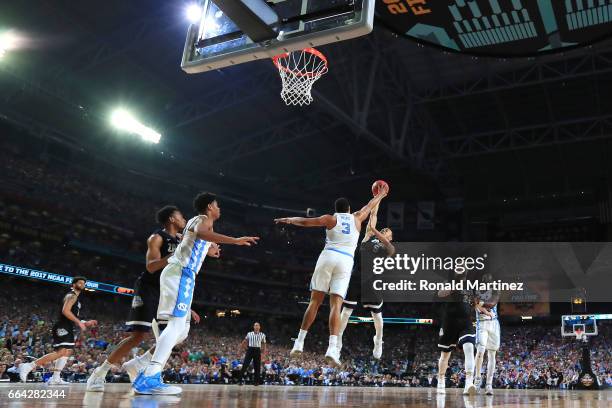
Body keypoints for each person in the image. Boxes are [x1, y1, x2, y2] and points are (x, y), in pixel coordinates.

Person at [132, 192, 259, 395]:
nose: (219, 209)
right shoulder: (201, 220)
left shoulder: (199, 223)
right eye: (217, 205)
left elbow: (194, 239)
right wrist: (234, 240)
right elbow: (200, 233)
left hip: (183, 275)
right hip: (181, 273)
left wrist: (210, 248)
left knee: (181, 330)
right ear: (209, 206)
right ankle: (150, 376)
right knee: (175, 325)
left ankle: (142, 366)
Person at [87, 206, 219, 391]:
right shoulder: (157, 237)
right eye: (181, 217)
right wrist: (176, 256)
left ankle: (138, 364)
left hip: (168, 290)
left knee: (178, 334)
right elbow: (151, 267)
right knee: (139, 336)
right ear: (172, 219)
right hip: (149, 289)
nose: (184, 219)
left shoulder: (182, 239)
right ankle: (99, 374)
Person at [275, 186, 388, 366]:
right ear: (349, 210)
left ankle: (299, 342)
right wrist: (381, 195)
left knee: (315, 302)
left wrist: (289, 219)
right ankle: (332, 348)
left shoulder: (330, 218)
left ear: (337, 209)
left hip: (328, 256)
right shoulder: (357, 217)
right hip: (345, 261)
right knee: (336, 305)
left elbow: (305, 222)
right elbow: (370, 205)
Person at [338, 201, 394, 359]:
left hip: (372, 280)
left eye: (387, 231)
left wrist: (379, 233)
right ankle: (338, 341)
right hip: (357, 276)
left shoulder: (388, 246)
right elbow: (373, 214)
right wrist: (378, 197)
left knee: (377, 315)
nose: (384, 231)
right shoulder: (369, 235)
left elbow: (389, 247)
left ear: (390, 237)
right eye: (383, 229)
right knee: (346, 312)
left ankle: (378, 340)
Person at [19, 276, 97, 384]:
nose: (82, 285)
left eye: (83, 283)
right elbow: (65, 311)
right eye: (79, 283)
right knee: (60, 352)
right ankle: (28, 366)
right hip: (62, 326)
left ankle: (56, 377)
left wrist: (84, 322)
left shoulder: (76, 299)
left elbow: (70, 315)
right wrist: (79, 322)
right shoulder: (71, 295)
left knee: (67, 352)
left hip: (67, 325)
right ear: (73, 284)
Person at [436, 273, 477, 395]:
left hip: (466, 321)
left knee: (469, 348)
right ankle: (441, 379)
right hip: (450, 321)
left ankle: (469, 382)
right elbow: (440, 294)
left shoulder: (471, 284)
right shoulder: (448, 281)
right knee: (445, 355)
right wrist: (456, 285)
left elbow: (473, 302)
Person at [473, 278, 499, 395]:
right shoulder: (475, 289)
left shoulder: (496, 289)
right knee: (480, 351)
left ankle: (489, 384)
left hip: (494, 323)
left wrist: (481, 305)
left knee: (492, 354)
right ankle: (477, 380)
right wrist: (485, 310)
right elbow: (474, 304)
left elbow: (493, 303)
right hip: (482, 323)